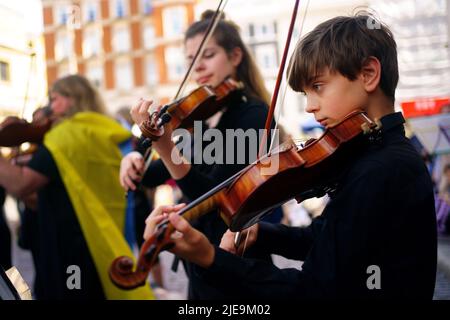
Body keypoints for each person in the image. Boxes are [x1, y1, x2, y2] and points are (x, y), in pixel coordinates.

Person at [143, 12, 437, 299]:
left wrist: (210, 258)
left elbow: (315, 289)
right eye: (305, 93)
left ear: (368, 74)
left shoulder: (381, 168)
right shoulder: (372, 156)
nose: (309, 106)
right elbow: (325, 238)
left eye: (317, 87)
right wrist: (264, 233)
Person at [120, 10, 274, 299]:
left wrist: (166, 148)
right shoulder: (199, 118)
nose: (197, 66)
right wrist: (133, 156)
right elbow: (153, 175)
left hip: (237, 261)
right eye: (191, 59)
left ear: (235, 56)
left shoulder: (254, 115)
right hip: (200, 261)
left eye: (208, 55)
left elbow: (215, 198)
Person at [0, 75, 153, 300]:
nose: (50, 107)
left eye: (54, 99)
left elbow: (21, 184)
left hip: (67, 243)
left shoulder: (66, 135)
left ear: (73, 98)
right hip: (100, 236)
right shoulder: (104, 129)